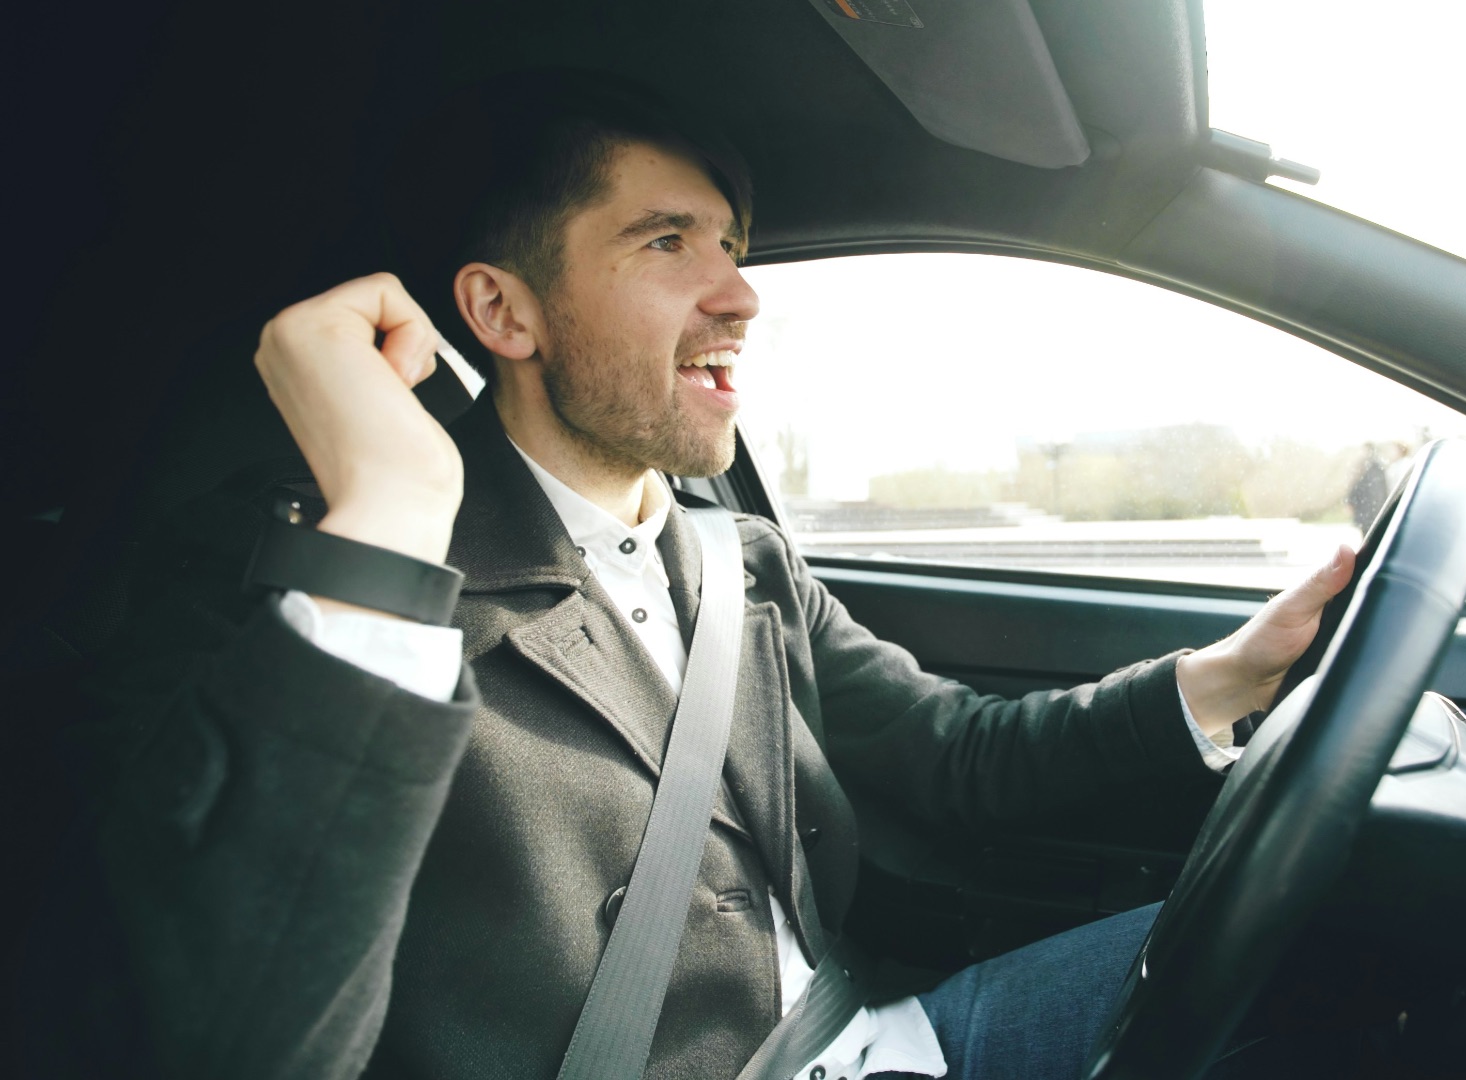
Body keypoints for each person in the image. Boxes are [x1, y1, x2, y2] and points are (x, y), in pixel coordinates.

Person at [72, 74, 1354, 1080]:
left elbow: (953, 755)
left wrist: (1228, 675)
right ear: (504, 314)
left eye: (729, 242)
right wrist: (395, 509)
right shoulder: (321, 583)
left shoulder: (736, 557)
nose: (739, 292)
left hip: (890, 1038)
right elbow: (233, 1037)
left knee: (1357, 927)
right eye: (666, 240)